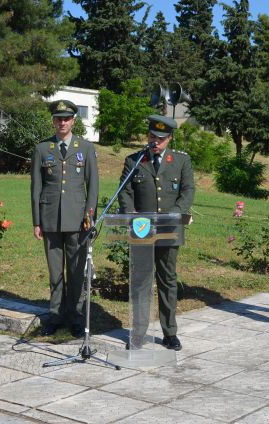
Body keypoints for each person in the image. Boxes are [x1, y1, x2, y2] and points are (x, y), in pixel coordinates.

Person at [118, 115, 195, 351]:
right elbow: (125, 192)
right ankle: (139, 333)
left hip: (169, 229)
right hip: (142, 229)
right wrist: (131, 216)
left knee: (167, 280)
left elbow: (187, 190)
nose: (156, 142)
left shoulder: (181, 161)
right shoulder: (134, 161)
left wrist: (175, 214)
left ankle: (169, 332)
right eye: (153, 137)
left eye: (161, 139)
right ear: (147, 137)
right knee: (141, 281)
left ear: (169, 139)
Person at [31, 99, 99, 337]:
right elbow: (36, 188)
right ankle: (56, 315)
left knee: (77, 270)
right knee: (55, 272)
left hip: (78, 220)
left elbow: (93, 186)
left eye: (67, 118)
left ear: (73, 120)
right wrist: (37, 221)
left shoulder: (86, 148)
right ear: (53, 121)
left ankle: (76, 316)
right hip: (50, 219)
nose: (62, 122)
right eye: (59, 118)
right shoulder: (42, 149)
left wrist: (89, 218)